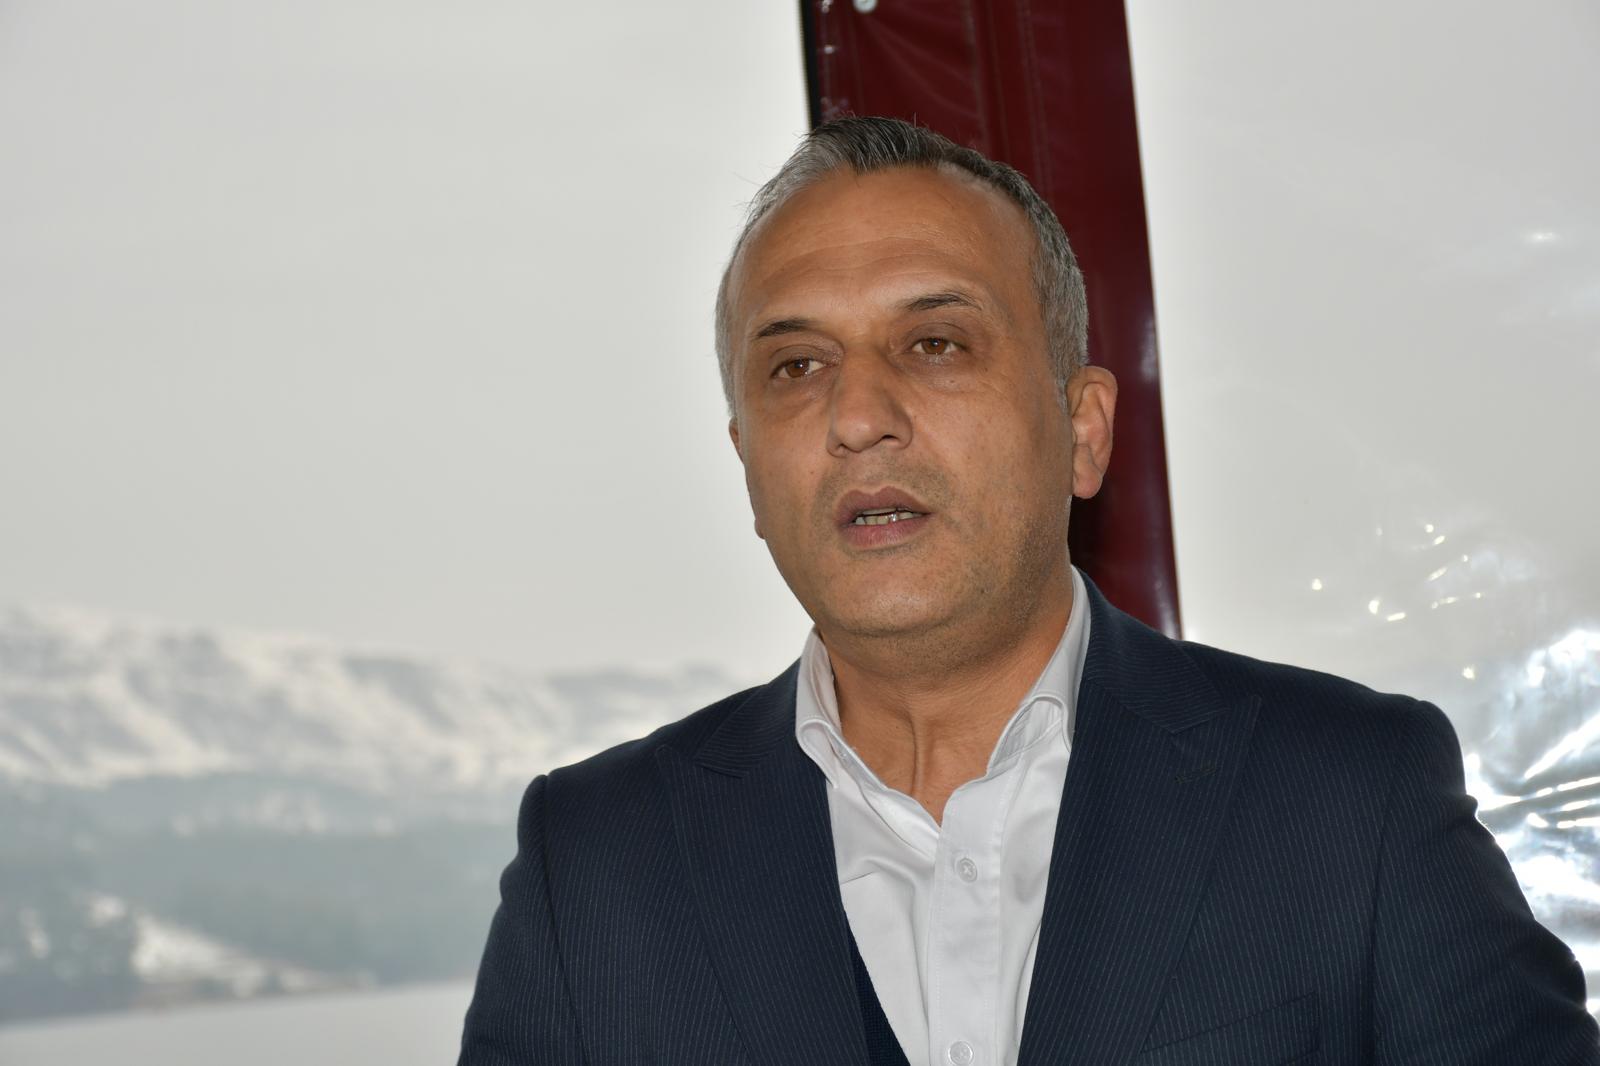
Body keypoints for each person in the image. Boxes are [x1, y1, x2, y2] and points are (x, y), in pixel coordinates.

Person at [457, 117, 1598, 1065]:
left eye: (935, 344)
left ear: (1082, 430)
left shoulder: (1347, 798)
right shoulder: (593, 869)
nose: (858, 417)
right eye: (797, 367)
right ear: (748, 463)